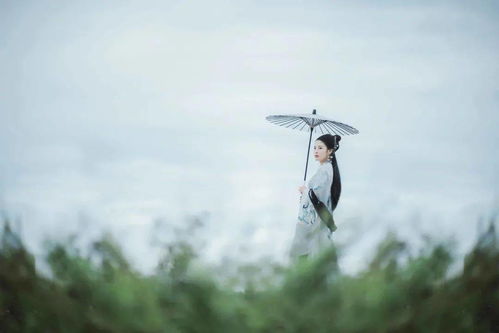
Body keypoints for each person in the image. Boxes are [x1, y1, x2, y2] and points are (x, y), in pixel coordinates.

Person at [289, 134, 342, 260]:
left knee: (306, 253)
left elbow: (317, 197)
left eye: (320, 148)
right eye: (314, 148)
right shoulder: (325, 168)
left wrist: (305, 191)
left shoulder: (325, 171)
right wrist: (307, 194)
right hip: (317, 218)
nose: (316, 151)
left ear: (330, 151)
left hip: (315, 221)